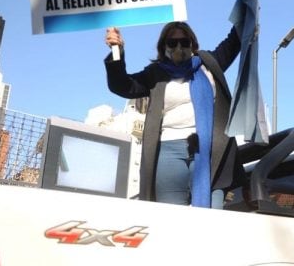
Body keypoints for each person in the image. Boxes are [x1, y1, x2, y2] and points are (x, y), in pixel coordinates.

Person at [104, 21, 242, 208]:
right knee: (172, 217)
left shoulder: (208, 64)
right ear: (163, 47)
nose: (179, 47)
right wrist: (116, 51)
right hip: (168, 152)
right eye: (172, 43)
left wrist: (247, 2)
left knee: (212, 215)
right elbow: (122, 85)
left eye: (184, 42)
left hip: (209, 151)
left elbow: (235, 40)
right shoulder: (155, 73)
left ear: (192, 45)